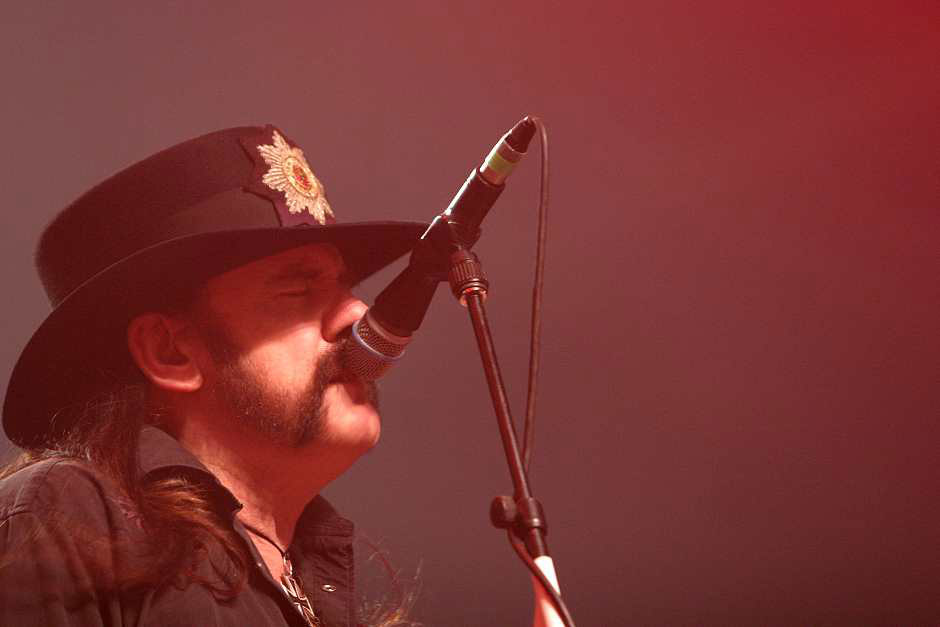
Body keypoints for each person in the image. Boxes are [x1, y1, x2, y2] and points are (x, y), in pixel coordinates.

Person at [0, 125, 426, 626]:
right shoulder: (65, 513)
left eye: (346, 287)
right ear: (169, 352)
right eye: (297, 289)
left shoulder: (311, 573)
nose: (358, 312)